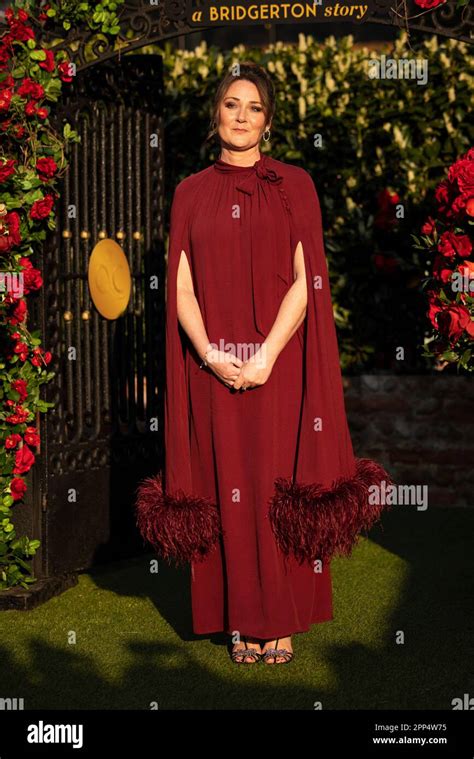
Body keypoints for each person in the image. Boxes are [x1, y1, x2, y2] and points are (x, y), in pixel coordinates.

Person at [135, 62, 392, 665]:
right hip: (213, 366)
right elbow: (180, 285)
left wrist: (267, 356)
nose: (242, 116)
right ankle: (239, 620)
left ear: (268, 121)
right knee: (228, 487)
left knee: (278, 483)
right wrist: (210, 354)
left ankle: (279, 619)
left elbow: (309, 281)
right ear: (215, 115)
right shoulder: (190, 192)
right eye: (232, 104)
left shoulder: (296, 185)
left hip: (281, 366)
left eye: (253, 107)